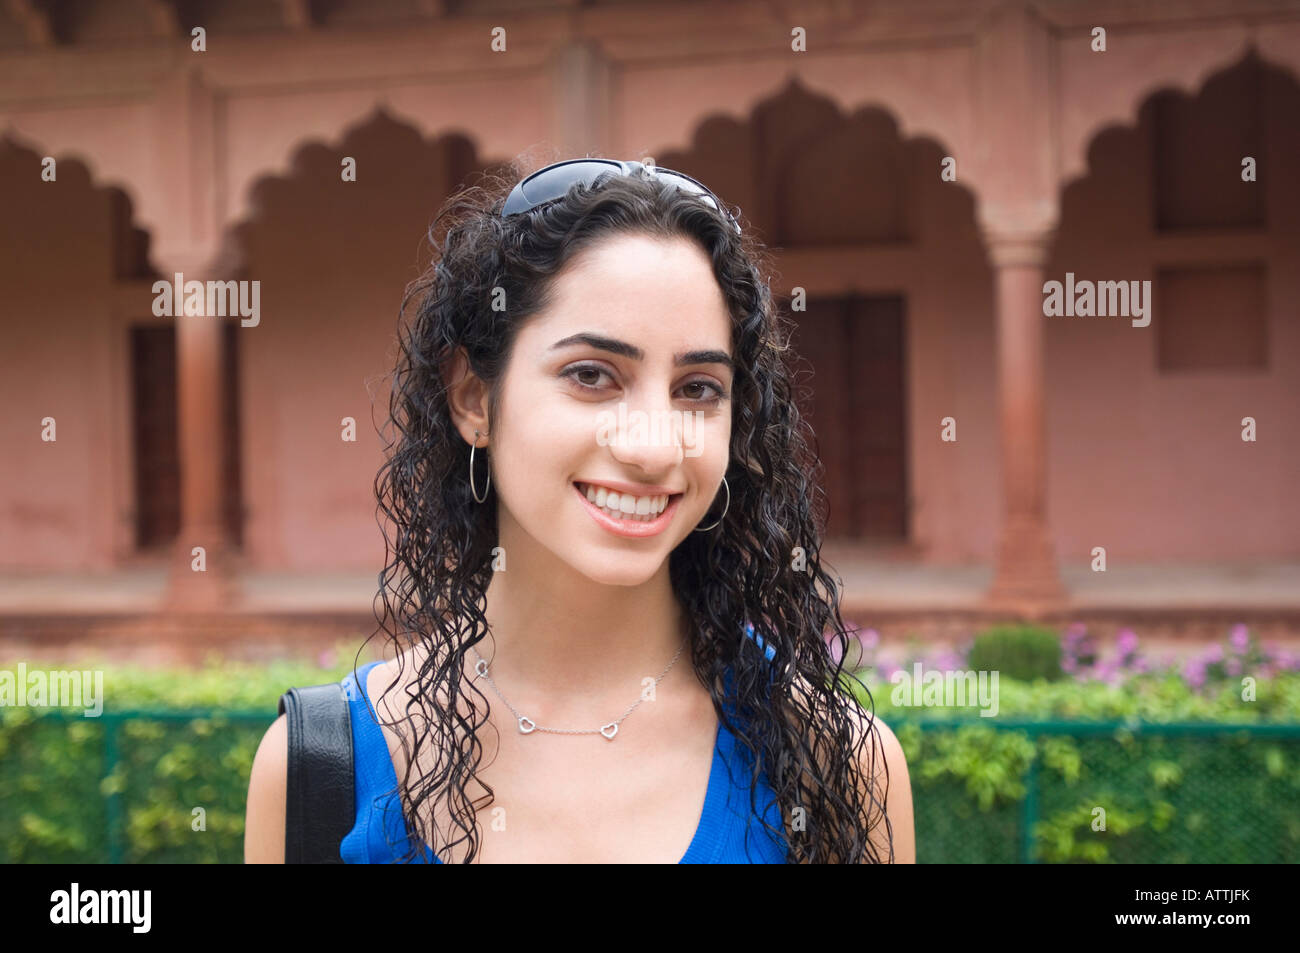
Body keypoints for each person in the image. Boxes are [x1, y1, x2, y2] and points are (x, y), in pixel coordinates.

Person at [245, 157, 914, 863]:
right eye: (592, 375)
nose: (655, 446)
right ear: (474, 397)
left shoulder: (833, 761)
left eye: (697, 388)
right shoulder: (323, 771)